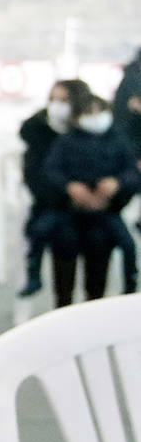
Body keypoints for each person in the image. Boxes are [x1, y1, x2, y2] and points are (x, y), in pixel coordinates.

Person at [44, 93, 140, 306]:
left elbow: (132, 174)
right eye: (89, 113)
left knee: (120, 246)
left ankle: (119, 296)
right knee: (55, 239)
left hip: (106, 213)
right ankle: (61, 303)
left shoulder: (118, 142)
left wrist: (116, 183)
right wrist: (70, 187)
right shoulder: (65, 142)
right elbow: (50, 172)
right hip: (69, 214)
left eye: (99, 112)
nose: (95, 117)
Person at [18, 79, 90, 297]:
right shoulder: (37, 132)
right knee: (52, 232)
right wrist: (67, 192)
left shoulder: (92, 133)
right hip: (51, 203)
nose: (57, 106)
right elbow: (35, 178)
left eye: (64, 100)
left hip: (91, 206)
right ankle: (36, 276)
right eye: (53, 100)